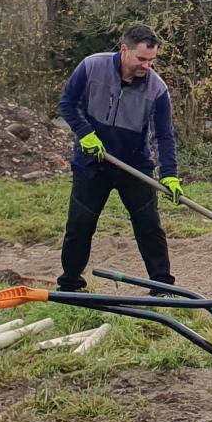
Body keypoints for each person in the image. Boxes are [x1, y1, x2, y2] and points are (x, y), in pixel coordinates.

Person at [57, 24, 181, 293]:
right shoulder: (92, 67)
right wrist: (85, 134)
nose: (147, 66)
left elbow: (164, 135)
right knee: (80, 225)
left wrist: (169, 173)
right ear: (124, 50)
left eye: (151, 60)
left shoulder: (157, 89)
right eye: (141, 59)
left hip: (134, 164)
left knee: (149, 225)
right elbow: (67, 104)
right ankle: (70, 284)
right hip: (92, 164)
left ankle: (162, 286)